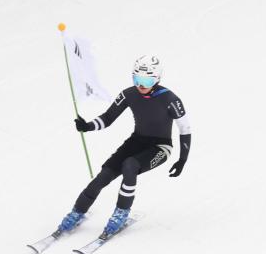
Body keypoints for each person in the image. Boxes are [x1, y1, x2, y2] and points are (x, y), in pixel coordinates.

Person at [54, 55, 191, 238]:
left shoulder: (170, 99)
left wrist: (182, 159)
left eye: (146, 80)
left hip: (160, 147)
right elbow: (108, 118)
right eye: (137, 79)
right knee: (103, 177)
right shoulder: (129, 94)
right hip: (136, 141)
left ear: (157, 79)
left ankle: (121, 213)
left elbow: (185, 128)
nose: (141, 85)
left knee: (130, 166)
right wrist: (88, 126)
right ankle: (77, 212)